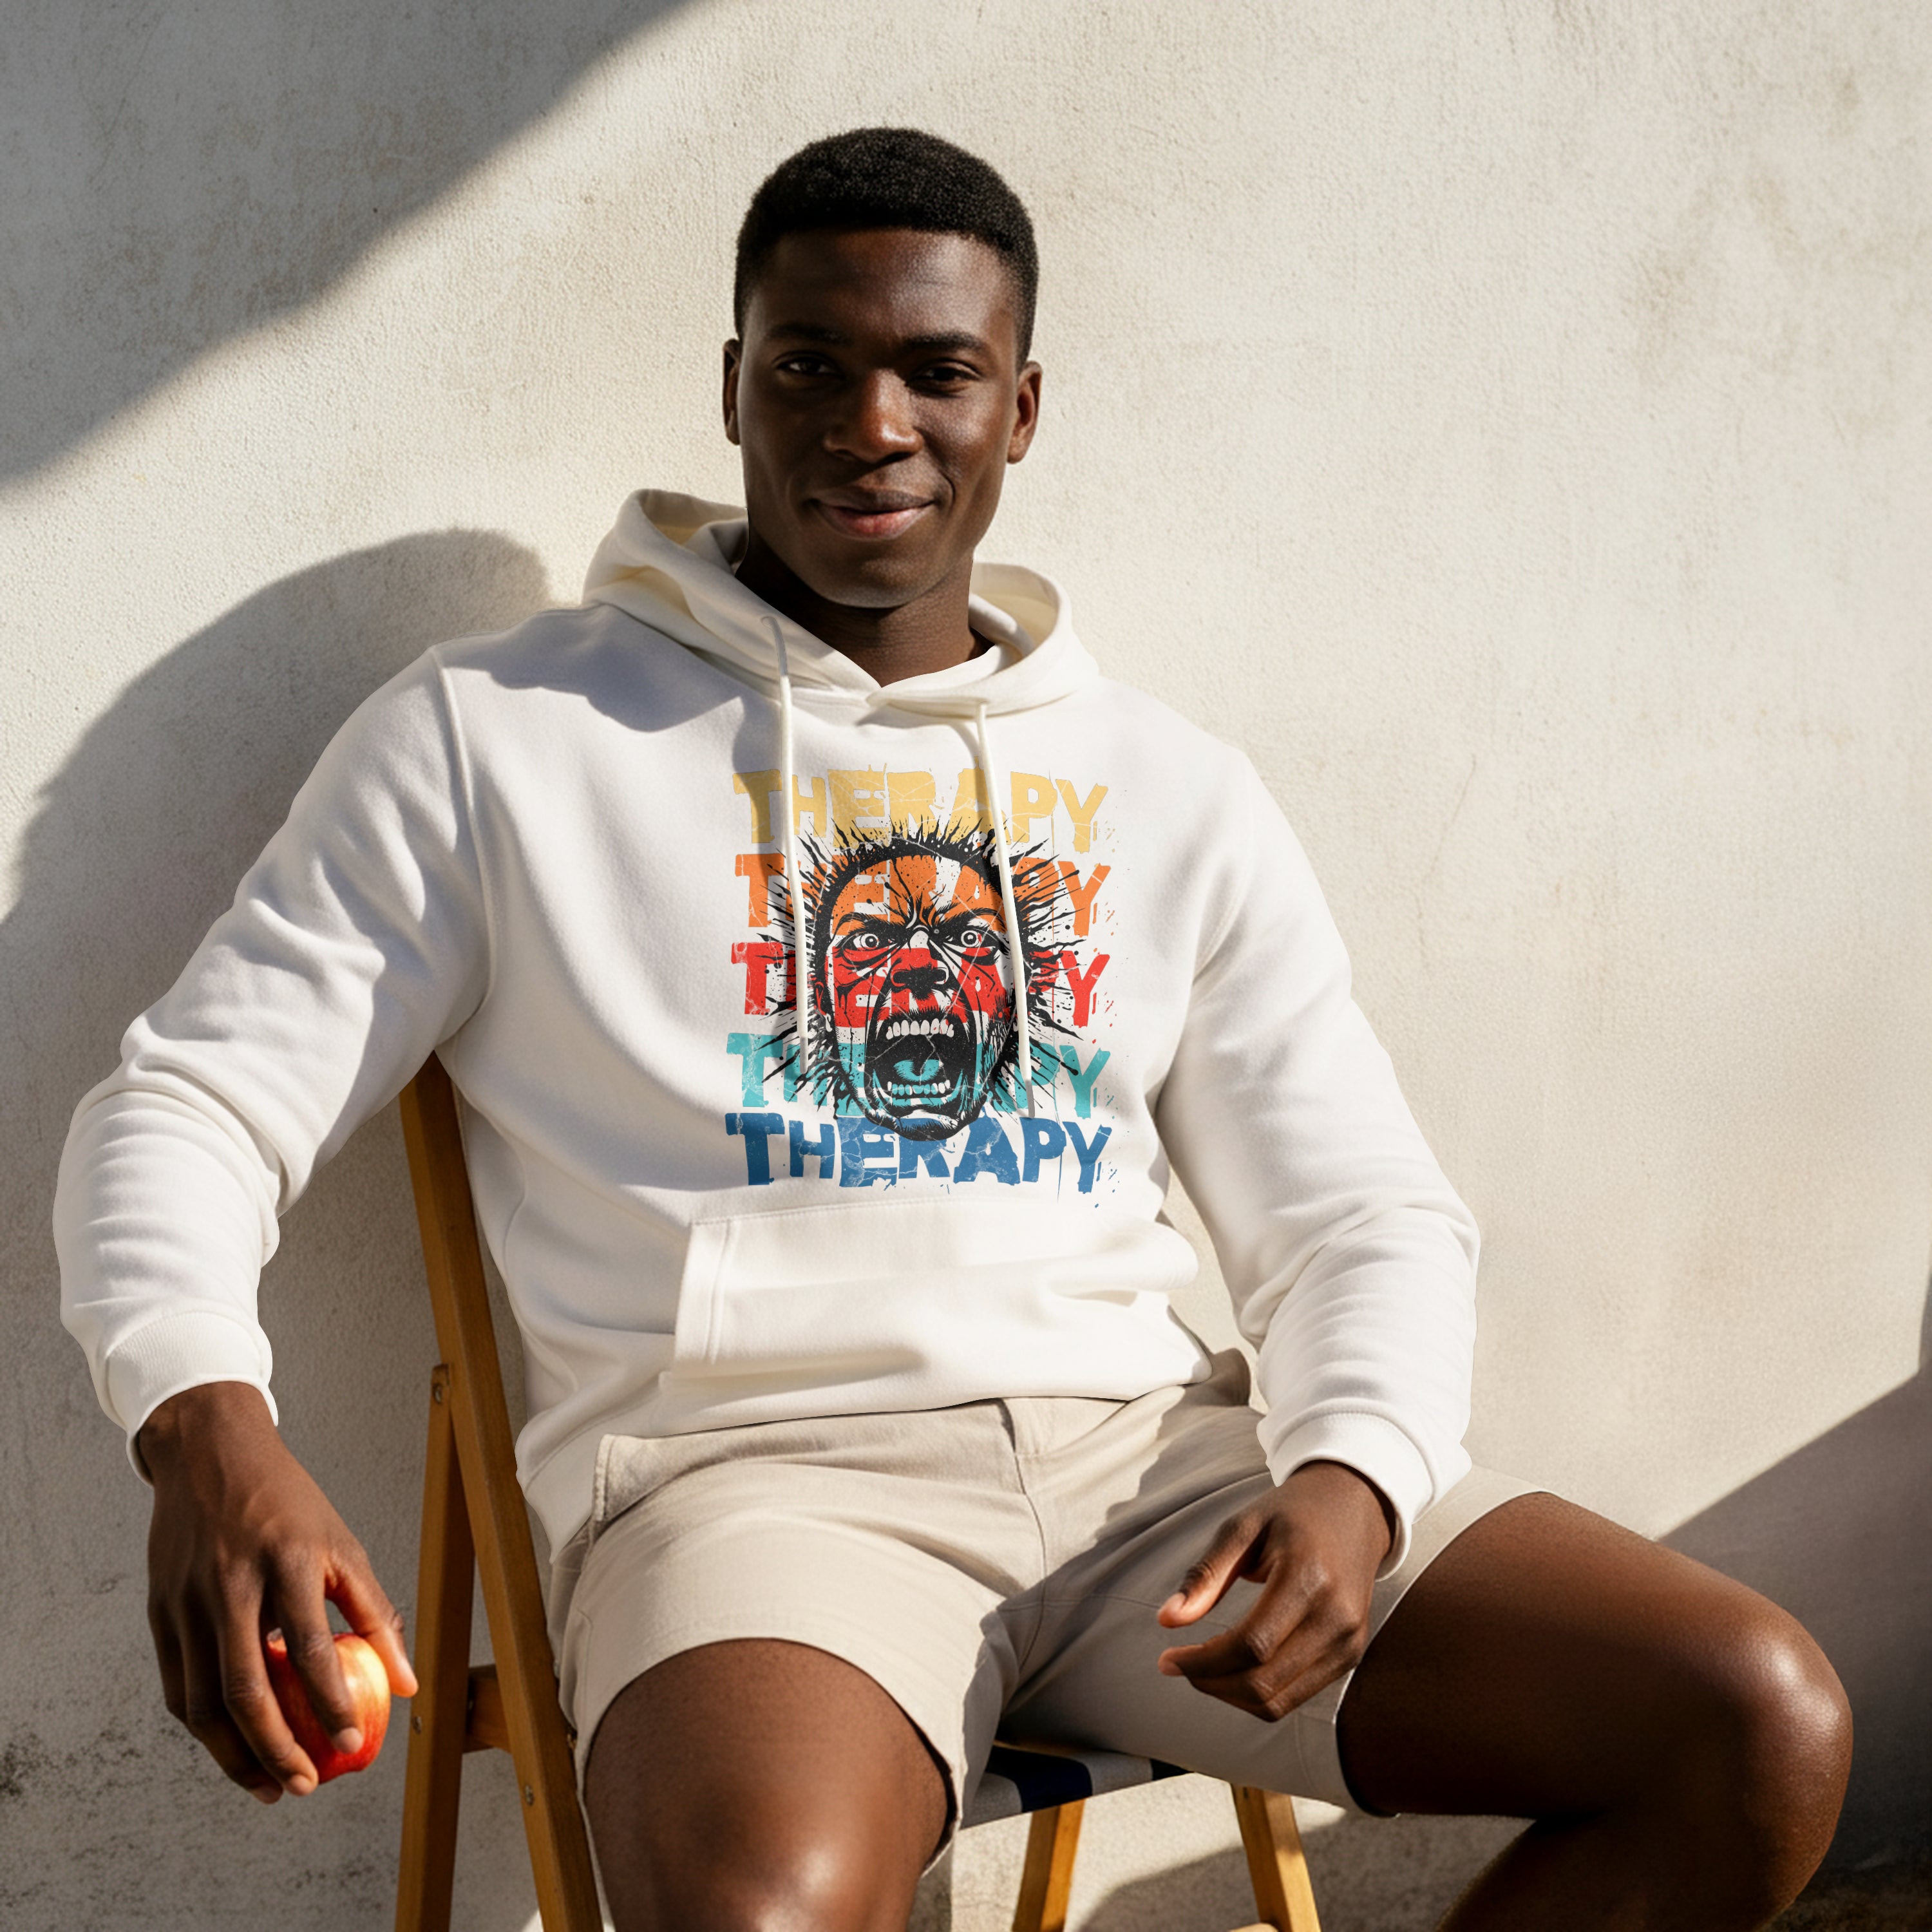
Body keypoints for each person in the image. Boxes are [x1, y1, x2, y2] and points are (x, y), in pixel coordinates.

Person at [57, 128, 1850, 1932]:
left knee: (1747, 1724)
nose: (872, 422)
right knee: (760, 1912)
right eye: (812, 366)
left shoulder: (1165, 785)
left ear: (1025, 406)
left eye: (939, 370)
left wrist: (1356, 1477)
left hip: (1153, 1476)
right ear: (735, 384)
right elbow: (194, 1101)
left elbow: (1360, 1209)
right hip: (762, 1494)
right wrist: (207, 1429)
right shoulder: (501, 737)